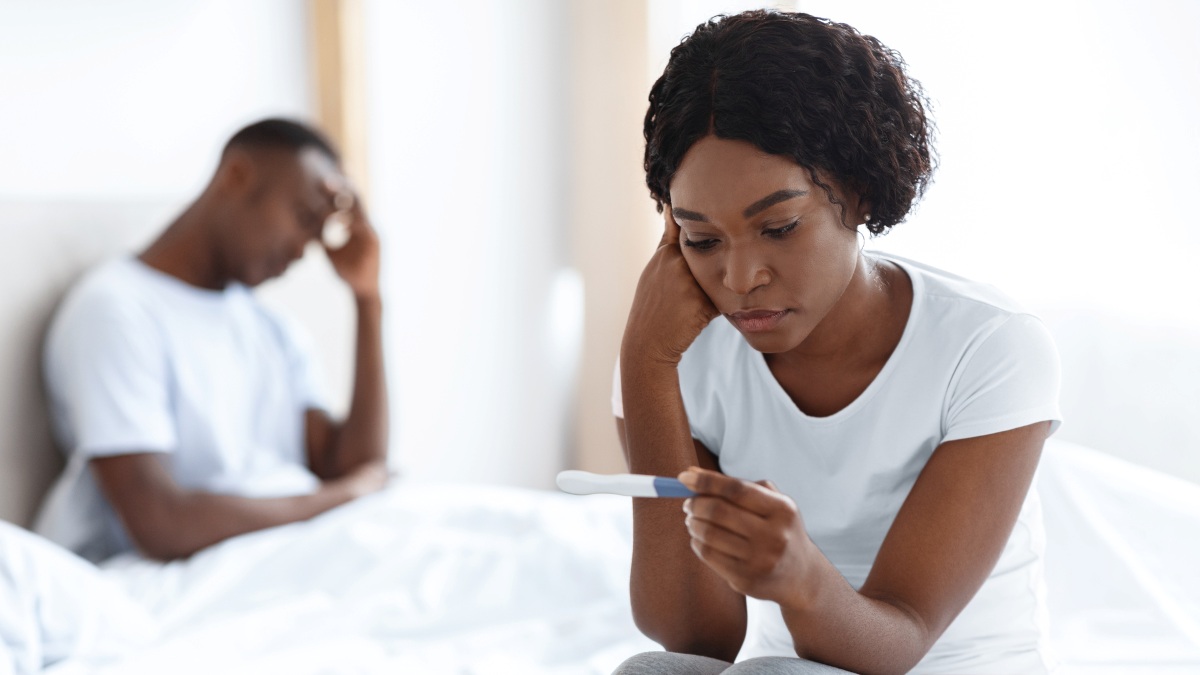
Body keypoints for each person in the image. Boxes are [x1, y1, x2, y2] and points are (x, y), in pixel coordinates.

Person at [613, 11, 1060, 675]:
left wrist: (801, 576)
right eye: (701, 239)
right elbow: (695, 638)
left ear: (858, 190)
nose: (739, 279)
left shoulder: (988, 345)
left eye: (781, 226)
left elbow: (901, 637)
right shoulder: (677, 351)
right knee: (652, 671)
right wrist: (644, 367)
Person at [34, 118, 390, 563]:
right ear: (237, 176)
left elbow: (355, 469)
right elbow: (162, 524)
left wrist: (367, 300)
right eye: (302, 218)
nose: (304, 249)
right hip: (196, 573)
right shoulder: (116, 309)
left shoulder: (270, 327)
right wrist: (338, 500)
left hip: (299, 549)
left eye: (319, 233)